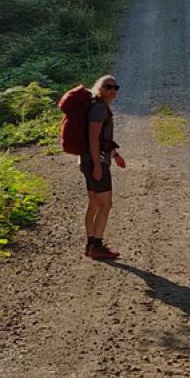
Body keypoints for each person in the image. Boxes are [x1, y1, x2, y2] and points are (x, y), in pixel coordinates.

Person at [82, 75, 126, 260]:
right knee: (105, 204)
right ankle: (97, 246)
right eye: (108, 87)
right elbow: (93, 137)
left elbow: (102, 139)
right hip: (96, 161)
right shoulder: (99, 109)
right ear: (100, 88)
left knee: (94, 203)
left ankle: (90, 244)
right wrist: (97, 165)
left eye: (115, 87)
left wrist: (115, 155)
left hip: (88, 160)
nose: (112, 90)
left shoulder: (98, 107)